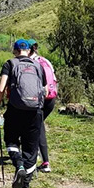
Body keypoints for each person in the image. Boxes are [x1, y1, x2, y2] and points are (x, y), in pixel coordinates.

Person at [0, 39, 47, 188]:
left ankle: (19, 165)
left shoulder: (10, 64)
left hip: (15, 110)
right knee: (30, 150)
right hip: (35, 111)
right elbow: (44, 89)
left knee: (11, 140)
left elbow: (1, 87)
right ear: (29, 51)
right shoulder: (38, 65)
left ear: (15, 50)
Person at [28, 39, 57, 173]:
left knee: (36, 126)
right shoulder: (45, 61)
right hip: (51, 98)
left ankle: (43, 161)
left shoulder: (30, 63)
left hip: (39, 99)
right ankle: (39, 157)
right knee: (38, 126)